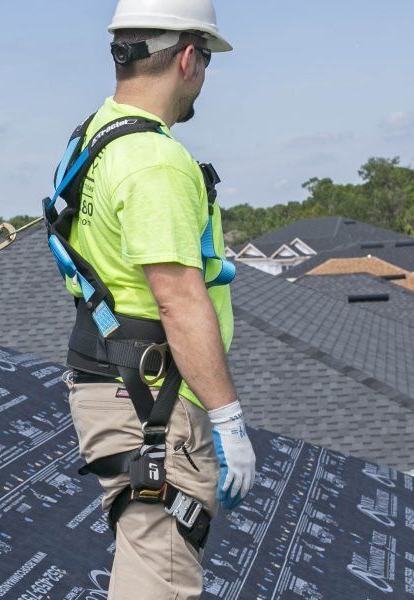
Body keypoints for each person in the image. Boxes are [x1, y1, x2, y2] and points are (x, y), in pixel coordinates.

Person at [53, 1, 257, 597]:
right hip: (153, 405)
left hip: (115, 387)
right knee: (161, 579)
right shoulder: (155, 162)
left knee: (146, 565)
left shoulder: (94, 135)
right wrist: (229, 420)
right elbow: (179, 301)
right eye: (207, 60)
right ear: (189, 58)